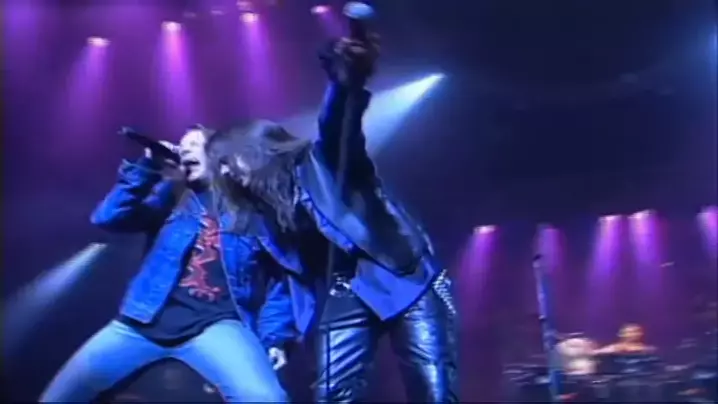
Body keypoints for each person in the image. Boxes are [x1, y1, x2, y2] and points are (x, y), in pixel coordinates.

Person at [204, 34, 458, 402]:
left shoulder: (321, 163)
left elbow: (338, 124)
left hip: (405, 277)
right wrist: (276, 339)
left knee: (432, 388)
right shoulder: (265, 215)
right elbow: (287, 281)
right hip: (345, 292)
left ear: (255, 150)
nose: (227, 173)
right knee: (330, 394)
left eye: (228, 161)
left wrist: (345, 81)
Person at [40, 125, 303, 402]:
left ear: (220, 156)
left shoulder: (253, 213)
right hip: (141, 323)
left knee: (264, 398)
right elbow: (108, 217)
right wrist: (147, 168)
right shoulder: (172, 198)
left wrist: (275, 338)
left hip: (217, 325)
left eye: (194, 145)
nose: (185, 150)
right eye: (182, 147)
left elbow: (283, 281)